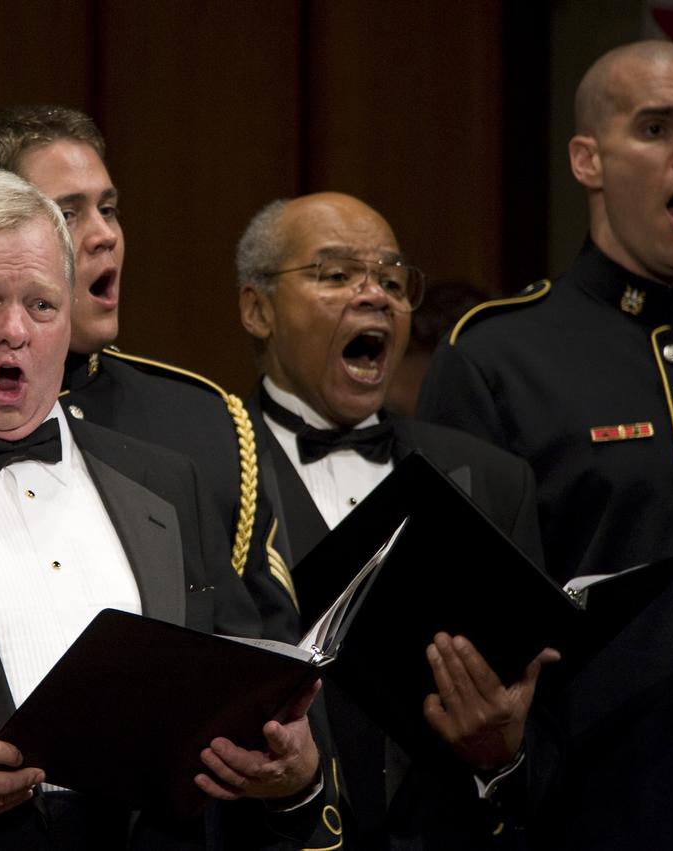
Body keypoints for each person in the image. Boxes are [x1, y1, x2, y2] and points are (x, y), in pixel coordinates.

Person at [0, 168, 336, 850]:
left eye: (41, 305)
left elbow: (249, 695)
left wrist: (289, 771)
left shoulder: (167, 482)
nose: (14, 331)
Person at [0, 107, 297, 636]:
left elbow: (256, 653)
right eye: (68, 213)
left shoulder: (201, 432)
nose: (105, 235)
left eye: (110, 209)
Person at [415, 39, 673, 849]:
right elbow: (452, 635)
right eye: (658, 128)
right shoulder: (499, 357)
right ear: (587, 160)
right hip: (601, 812)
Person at [237, 191, 558, 849]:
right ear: (258, 307)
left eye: (391, 278)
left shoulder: (494, 479)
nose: (375, 295)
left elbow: (549, 730)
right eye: (335, 274)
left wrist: (501, 753)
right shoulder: (203, 469)